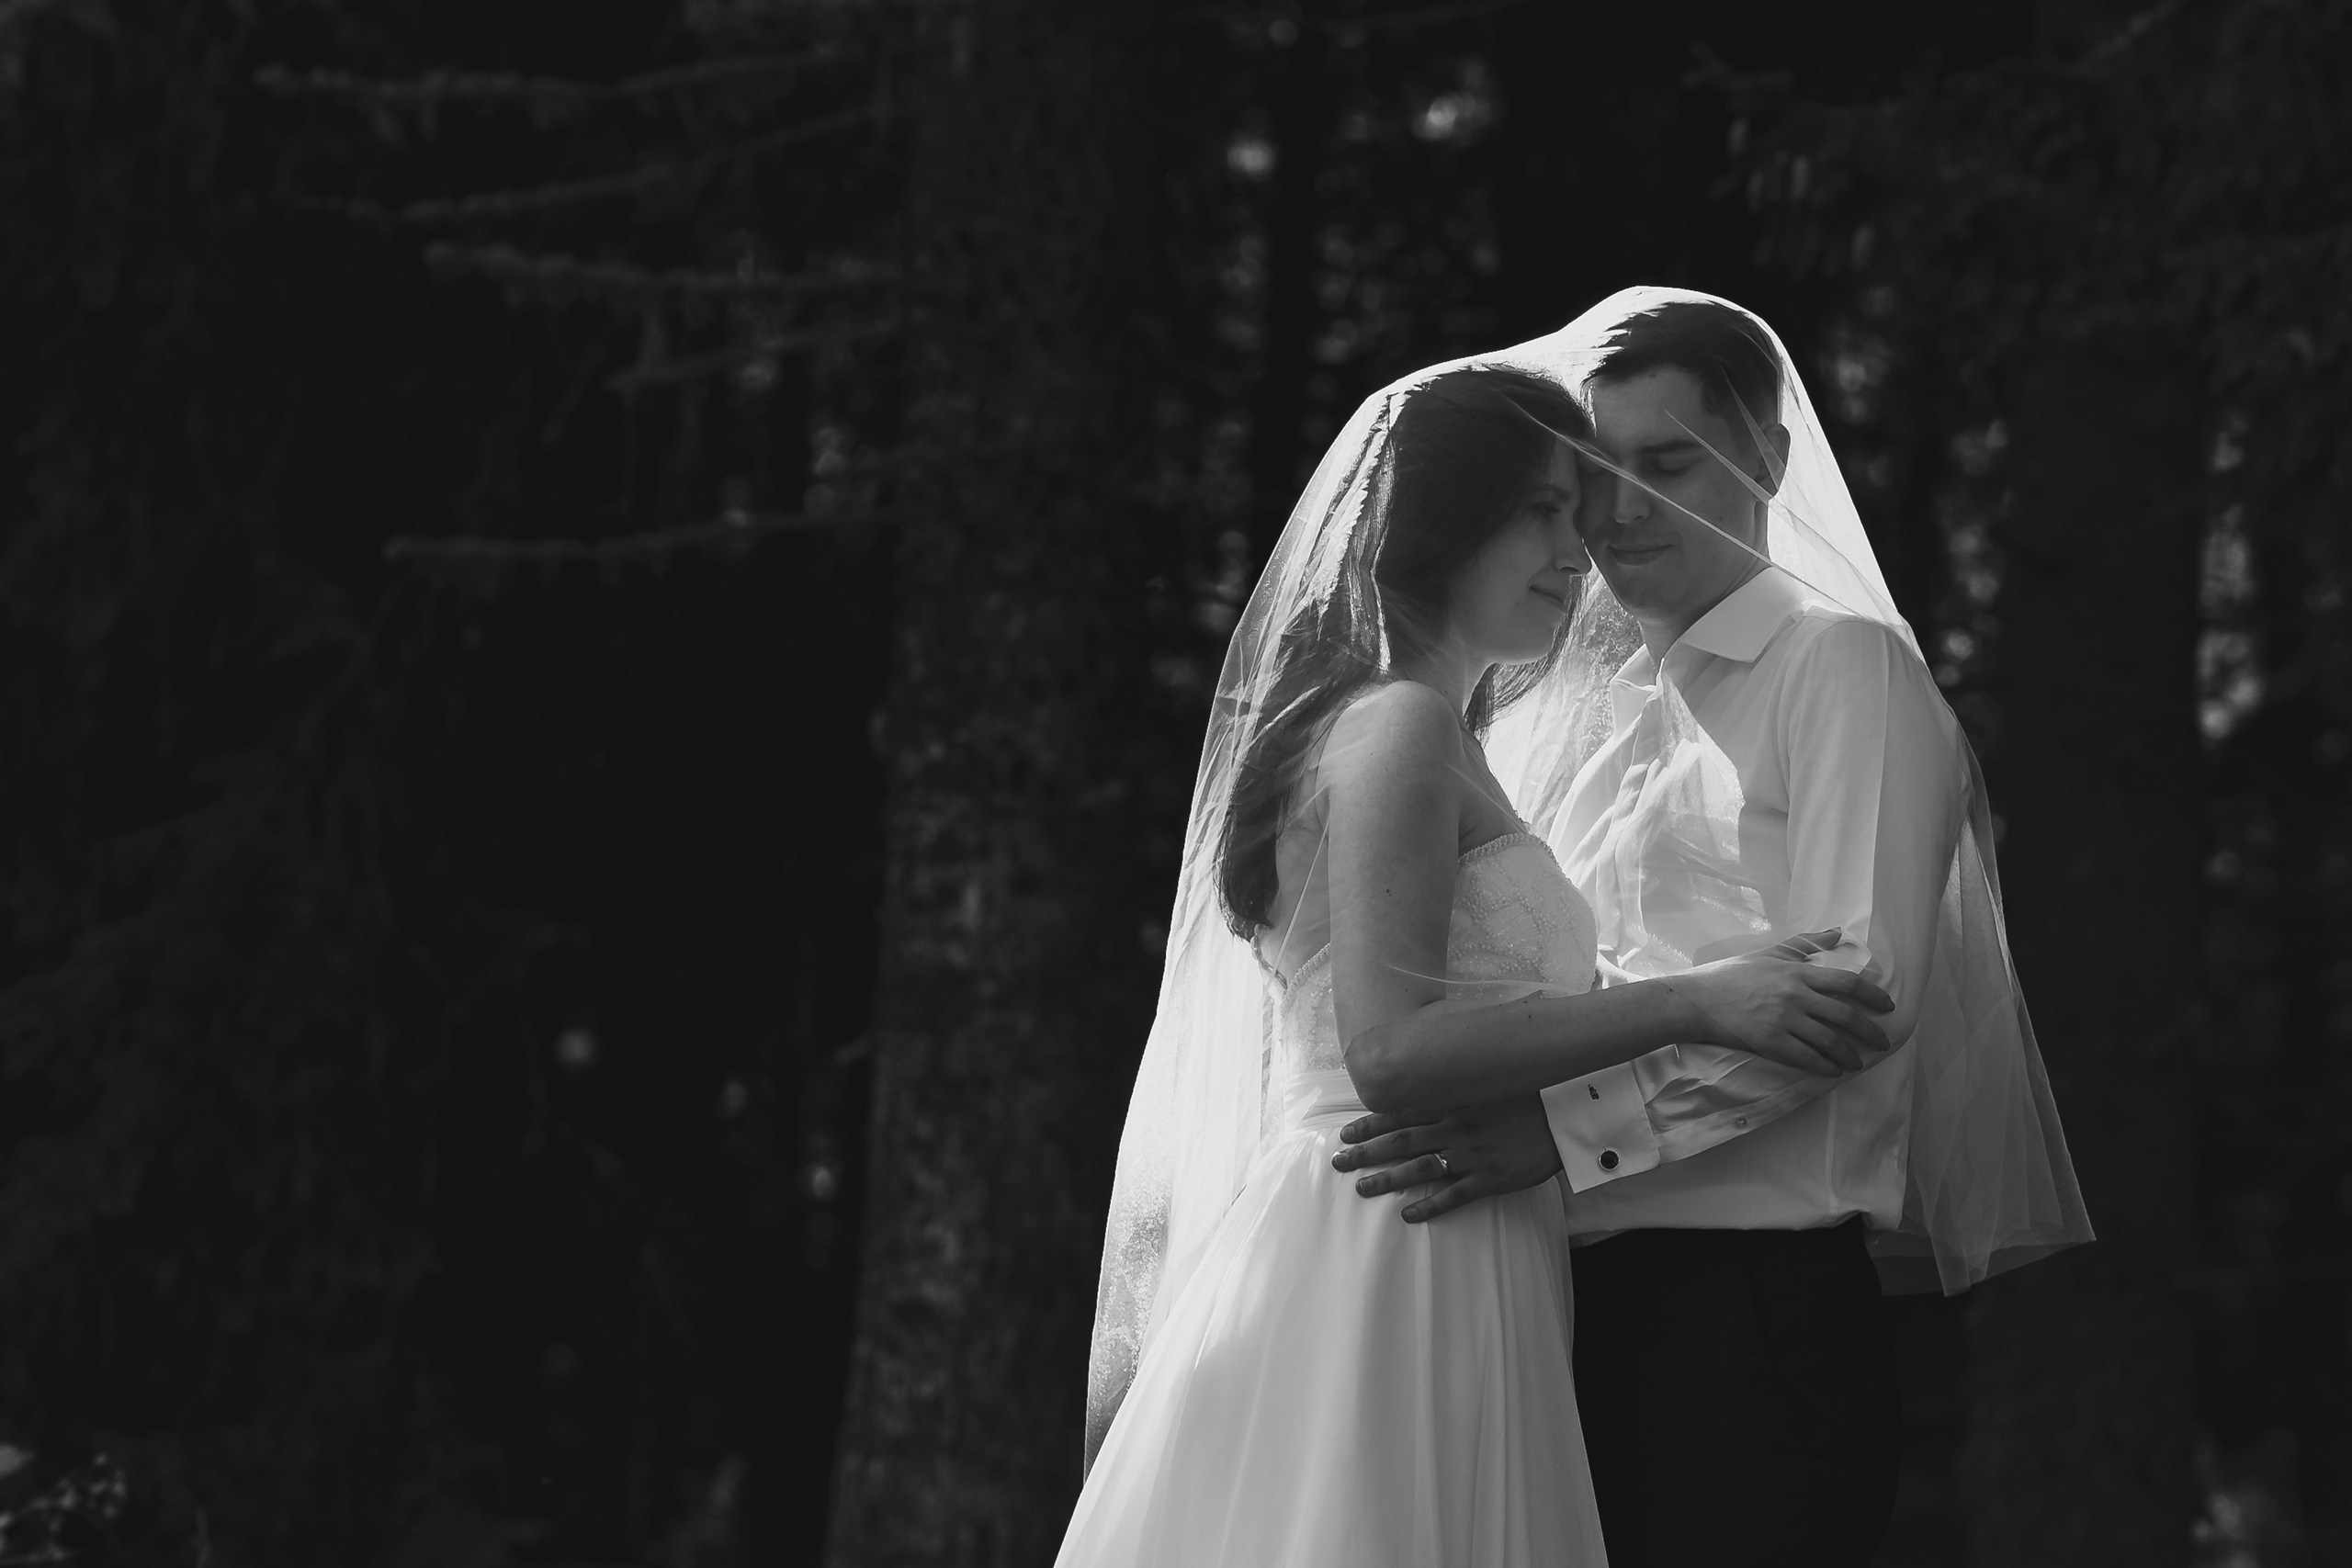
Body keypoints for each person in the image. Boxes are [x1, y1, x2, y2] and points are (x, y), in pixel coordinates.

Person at [1059, 365, 1898, 1567]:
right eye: (1546, 511)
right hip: (1388, 1246)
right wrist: (1703, 1003)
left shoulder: (1433, 733)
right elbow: (1392, 1051)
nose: (1583, 547)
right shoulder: (1399, 724)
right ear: (1447, 521)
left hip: (1457, 1241)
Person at [1334, 290, 2095, 1565]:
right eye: (1590, 478)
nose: (1620, 513)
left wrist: (1562, 1134)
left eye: (1667, 464)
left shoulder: (1842, 668)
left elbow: (1857, 995)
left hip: (1741, 1315)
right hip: (1538, 1307)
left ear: (1768, 459)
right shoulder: (1534, 717)